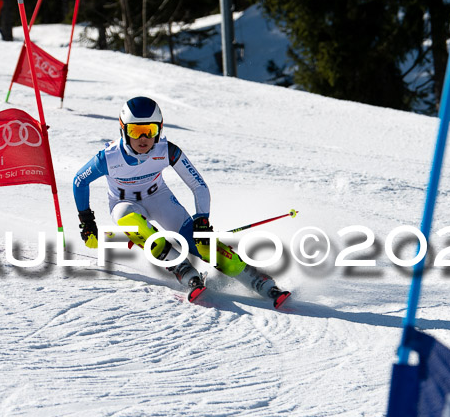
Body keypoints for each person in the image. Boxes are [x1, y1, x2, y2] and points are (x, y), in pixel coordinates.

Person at [72, 96, 290, 307]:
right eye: (135, 131)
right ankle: (182, 269)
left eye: (150, 130)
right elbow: (79, 182)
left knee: (203, 246)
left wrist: (202, 221)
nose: (143, 139)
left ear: (160, 129)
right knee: (132, 223)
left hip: (159, 199)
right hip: (124, 203)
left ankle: (259, 281)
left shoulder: (167, 151)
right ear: (123, 130)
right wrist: (87, 222)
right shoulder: (109, 157)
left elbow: (199, 186)